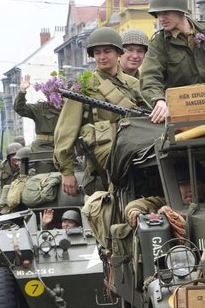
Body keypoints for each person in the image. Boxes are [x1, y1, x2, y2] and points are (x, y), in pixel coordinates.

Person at [53, 27, 149, 197]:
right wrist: (66, 171)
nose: (102, 57)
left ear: (118, 53)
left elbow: (149, 114)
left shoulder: (133, 84)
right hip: (103, 155)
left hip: (134, 146)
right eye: (97, 53)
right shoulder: (84, 86)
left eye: (107, 51)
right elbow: (66, 129)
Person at [139, 0, 205, 124]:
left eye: (166, 12)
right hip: (182, 114)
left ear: (180, 11)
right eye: (158, 14)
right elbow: (149, 78)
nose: (161, 18)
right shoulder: (159, 43)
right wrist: (159, 100)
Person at [14, 75, 59, 154]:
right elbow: (19, 108)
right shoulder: (40, 108)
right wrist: (22, 91)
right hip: (43, 148)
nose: (54, 96)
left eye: (57, 93)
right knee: (44, 165)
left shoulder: (66, 108)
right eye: (51, 93)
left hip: (63, 146)